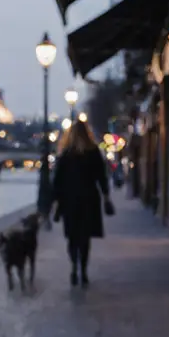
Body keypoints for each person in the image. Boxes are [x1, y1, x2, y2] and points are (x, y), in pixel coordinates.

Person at [52, 120, 113, 286]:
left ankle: (73, 267)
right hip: (89, 199)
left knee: (72, 237)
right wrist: (106, 196)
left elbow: (57, 181)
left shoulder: (65, 154)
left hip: (69, 200)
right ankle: (84, 270)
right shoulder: (93, 152)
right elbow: (102, 177)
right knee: (85, 237)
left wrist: (56, 202)